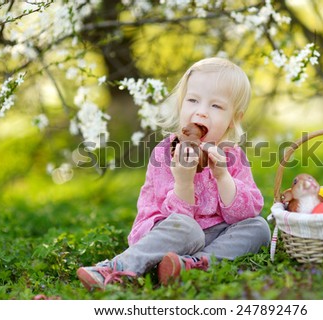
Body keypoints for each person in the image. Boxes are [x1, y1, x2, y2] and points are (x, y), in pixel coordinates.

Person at [77, 57, 271, 291]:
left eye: (216, 106)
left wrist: (223, 177)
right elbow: (177, 218)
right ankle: (115, 268)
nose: (201, 112)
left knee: (259, 227)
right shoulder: (165, 153)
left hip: (212, 237)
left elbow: (243, 214)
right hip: (166, 235)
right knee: (189, 229)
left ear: (234, 119)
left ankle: (192, 265)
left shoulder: (232, 156)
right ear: (181, 105)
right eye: (193, 100)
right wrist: (183, 181)